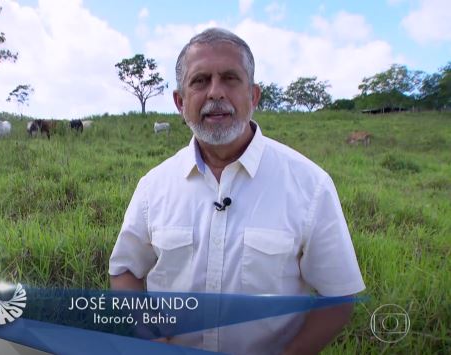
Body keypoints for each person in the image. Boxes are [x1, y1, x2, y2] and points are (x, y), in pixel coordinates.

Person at [109, 28, 365, 354]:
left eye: (230, 78)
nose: (215, 93)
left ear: (254, 96)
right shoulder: (153, 187)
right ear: (180, 101)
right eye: (199, 81)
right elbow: (125, 270)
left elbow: (339, 298)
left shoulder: (310, 185)